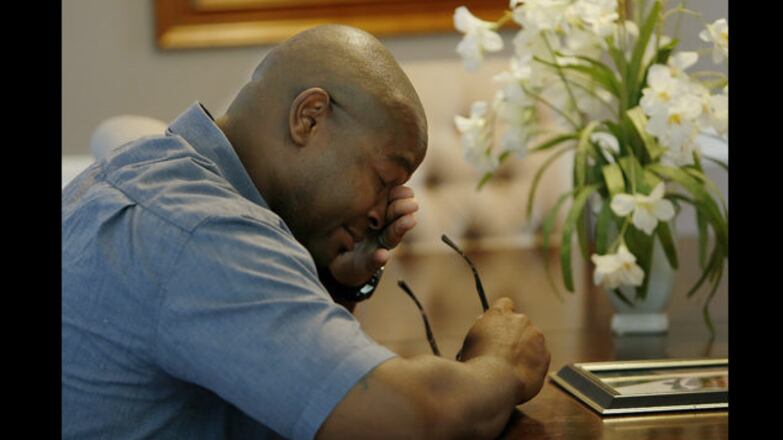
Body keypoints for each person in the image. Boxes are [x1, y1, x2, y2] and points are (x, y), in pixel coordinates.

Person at [61, 24, 550, 439]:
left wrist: (335, 284)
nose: (386, 212)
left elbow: (279, 388)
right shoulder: (206, 230)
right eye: (385, 179)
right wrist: (500, 363)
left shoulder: (157, 174)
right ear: (309, 118)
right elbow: (403, 415)